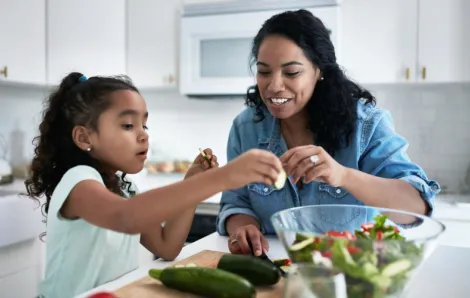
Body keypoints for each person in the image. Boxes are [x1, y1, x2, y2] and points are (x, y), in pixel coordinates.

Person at [25, 72, 283, 298]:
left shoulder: (126, 190)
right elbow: (126, 217)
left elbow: (167, 247)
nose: (143, 134)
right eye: (128, 125)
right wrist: (222, 177)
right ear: (84, 137)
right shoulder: (79, 181)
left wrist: (191, 184)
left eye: (144, 124)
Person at [216, 9, 440, 257]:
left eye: (291, 72)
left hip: (350, 275)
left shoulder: (366, 125)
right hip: (273, 273)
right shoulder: (245, 128)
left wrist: (343, 175)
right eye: (264, 71)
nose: (274, 85)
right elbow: (236, 202)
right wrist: (244, 226)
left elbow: (416, 209)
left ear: (319, 71)